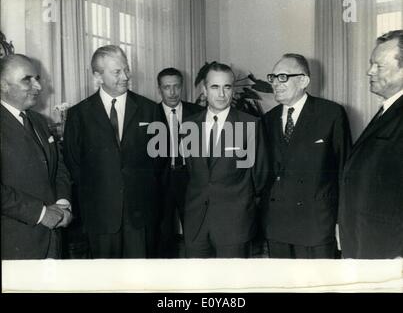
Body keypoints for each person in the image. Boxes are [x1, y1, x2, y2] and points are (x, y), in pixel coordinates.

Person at [63, 45, 161, 259]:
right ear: (98, 76)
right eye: (117, 72)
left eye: (126, 69)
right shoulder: (78, 115)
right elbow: (74, 164)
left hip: (140, 214)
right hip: (100, 215)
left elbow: (159, 163)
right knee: (105, 279)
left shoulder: (150, 109)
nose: (125, 76)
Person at [260, 53, 352, 259]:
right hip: (277, 225)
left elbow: (345, 172)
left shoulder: (331, 114)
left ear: (303, 81)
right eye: (272, 78)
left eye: (283, 77)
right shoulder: (267, 120)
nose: (275, 83)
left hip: (316, 224)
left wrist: (342, 221)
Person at [183, 62, 268, 258]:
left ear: (233, 90)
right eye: (215, 87)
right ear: (204, 90)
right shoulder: (189, 126)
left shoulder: (250, 125)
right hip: (196, 224)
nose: (221, 94)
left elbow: (261, 177)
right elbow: (190, 172)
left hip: (234, 226)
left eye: (227, 87)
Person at [338, 30, 403, 259]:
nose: (369, 72)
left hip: (388, 247)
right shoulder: (387, 110)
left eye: (379, 66)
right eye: (370, 64)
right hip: (366, 239)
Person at [1, 54, 72, 259]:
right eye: (27, 80)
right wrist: (41, 214)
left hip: (52, 240)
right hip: (14, 245)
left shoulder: (40, 121)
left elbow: (58, 167)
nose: (38, 87)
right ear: (3, 85)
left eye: (37, 78)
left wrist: (63, 203)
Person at [156, 67, 203, 258]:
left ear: (182, 87)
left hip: (190, 179)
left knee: (194, 231)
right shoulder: (150, 113)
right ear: (159, 89)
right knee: (163, 234)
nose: (173, 92)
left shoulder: (198, 112)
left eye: (176, 86)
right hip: (162, 181)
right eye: (167, 87)